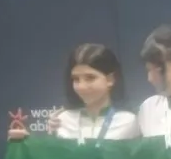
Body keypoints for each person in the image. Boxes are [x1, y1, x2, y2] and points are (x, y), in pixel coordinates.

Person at [8, 44, 139, 141]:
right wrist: (27, 143)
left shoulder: (128, 121)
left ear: (110, 80)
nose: (81, 86)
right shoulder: (62, 120)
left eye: (90, 78)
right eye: (76, 79)